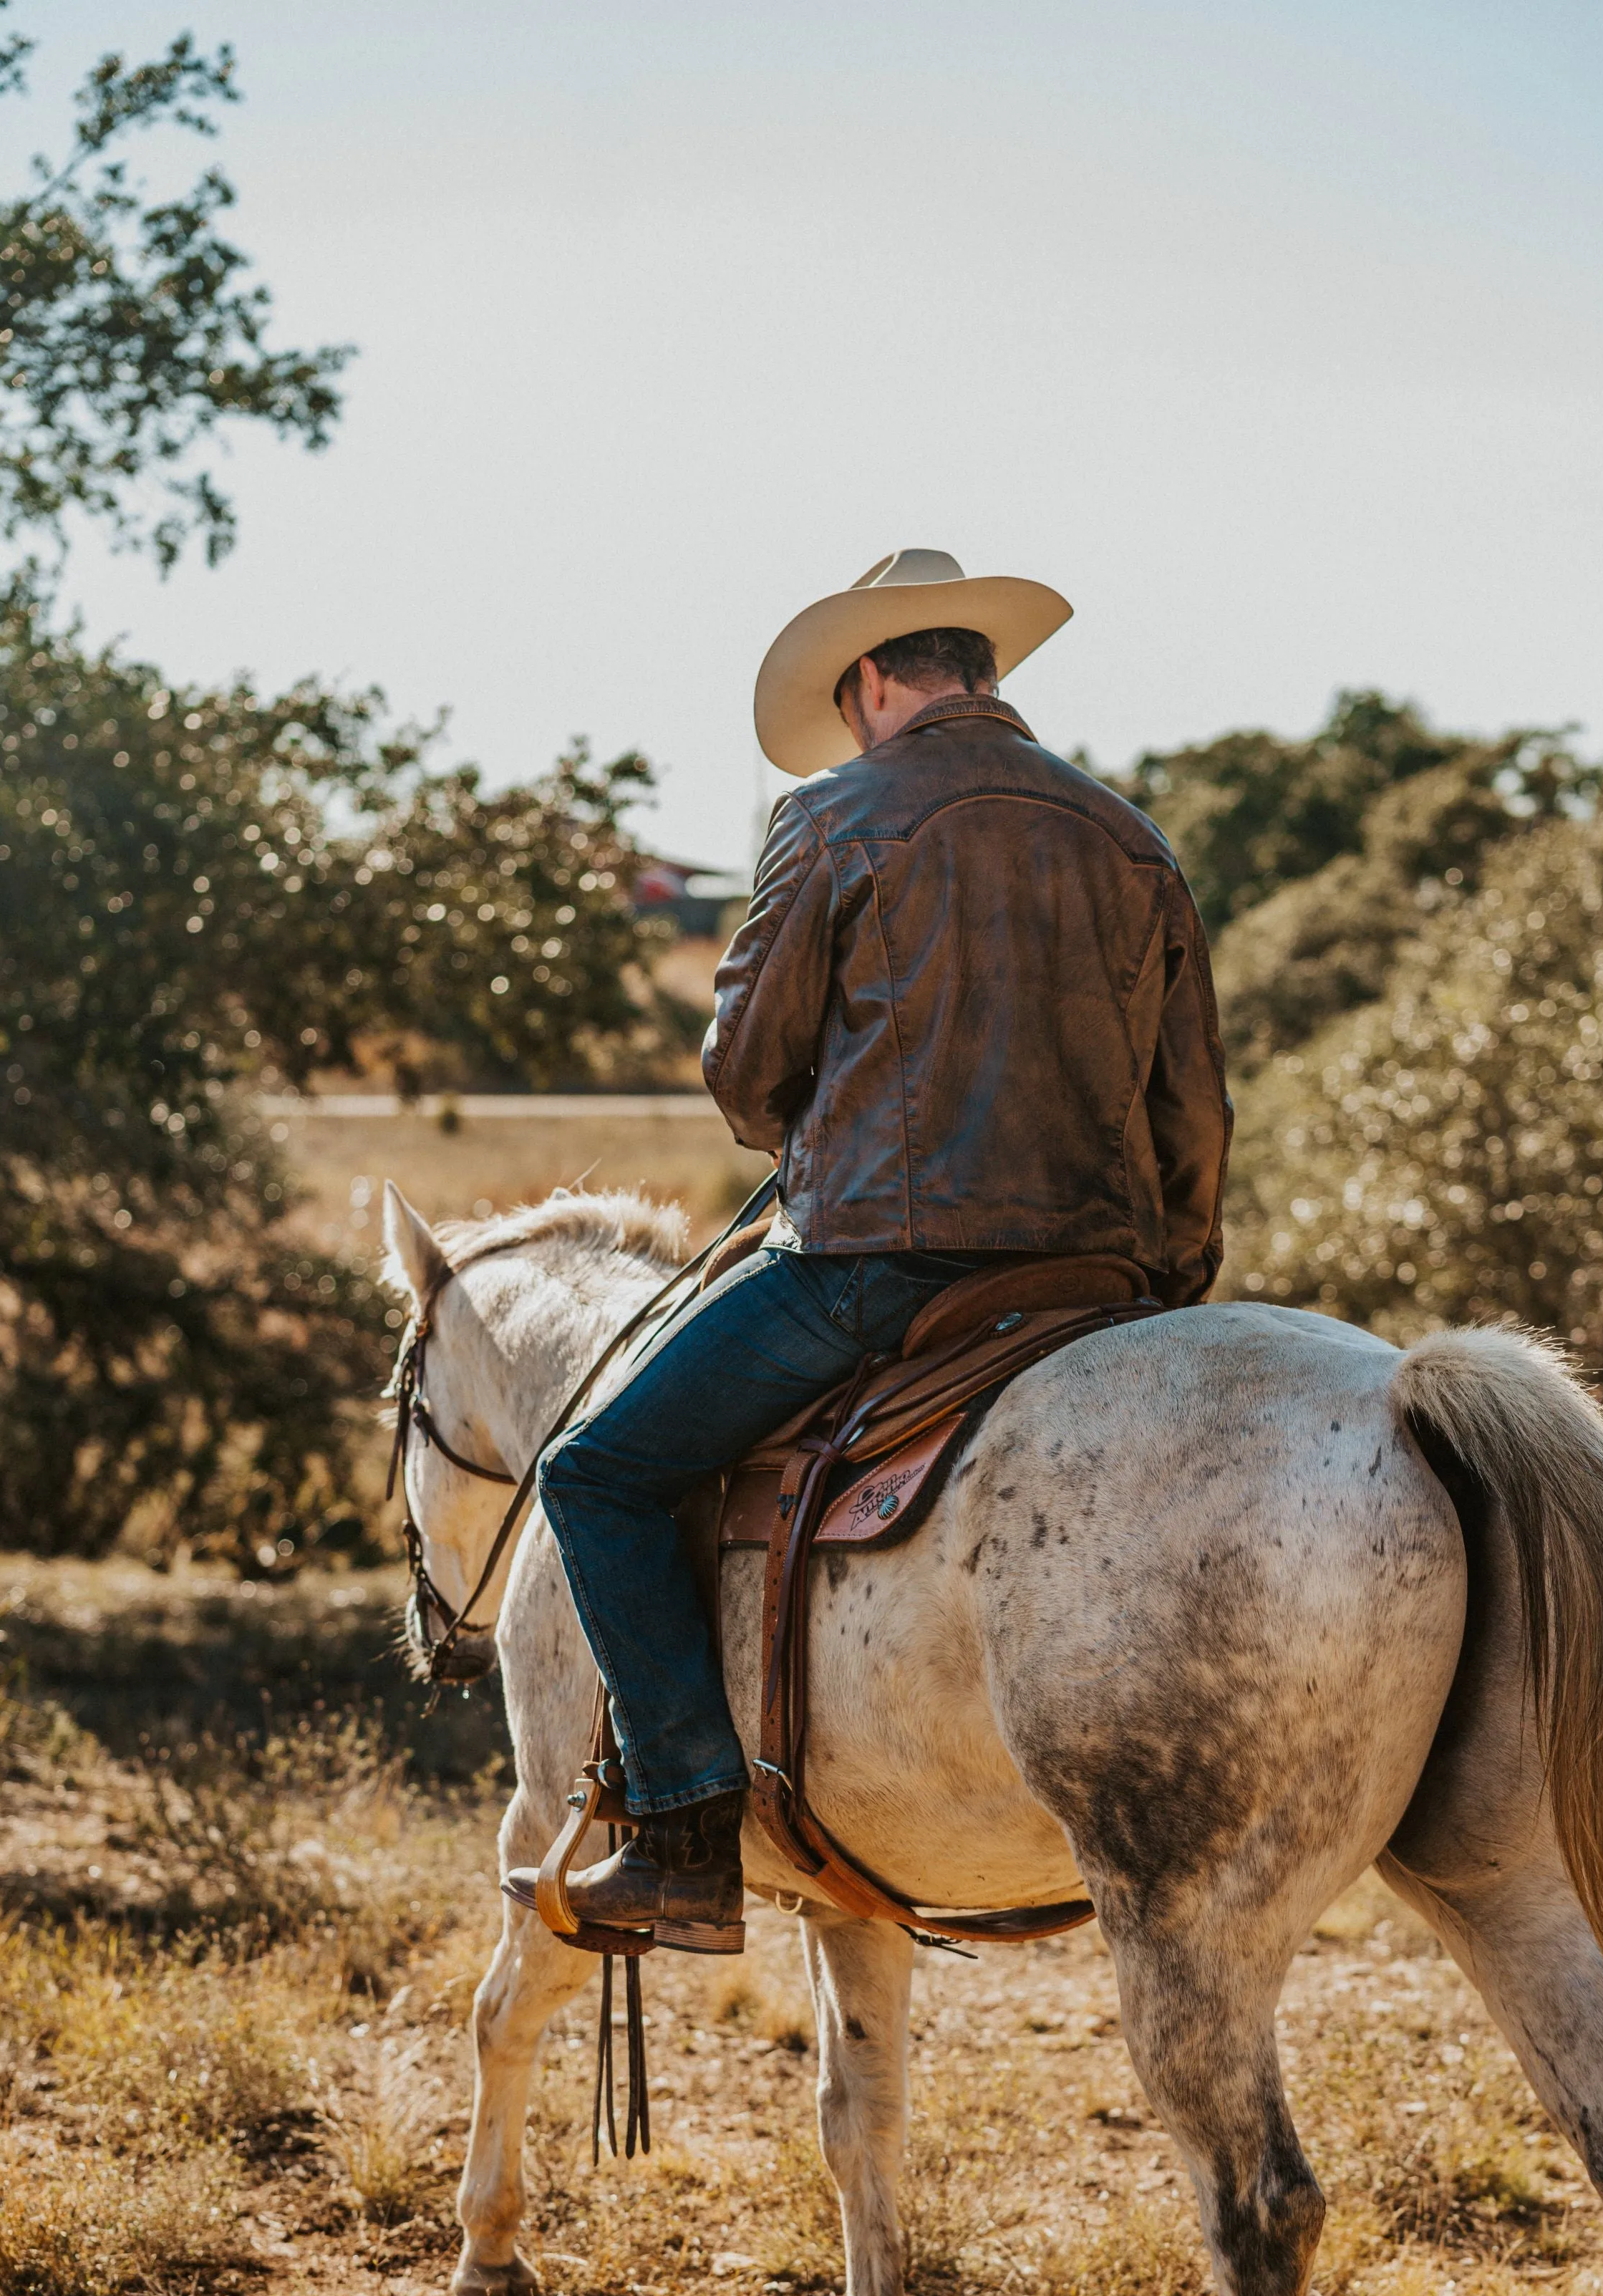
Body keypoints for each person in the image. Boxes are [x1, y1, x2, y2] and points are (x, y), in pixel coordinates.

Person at [513, 546, 1231, 1952]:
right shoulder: (1127, 834)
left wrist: (811, 1122)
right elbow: (1189, 1100)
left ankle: (677, 1831)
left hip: (876, 1265)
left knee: (595, 1470)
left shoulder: (832, 815)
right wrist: (1166, 1281)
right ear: (977, 673)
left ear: (866, 682)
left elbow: (742, 1065)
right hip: (1095, 1281)